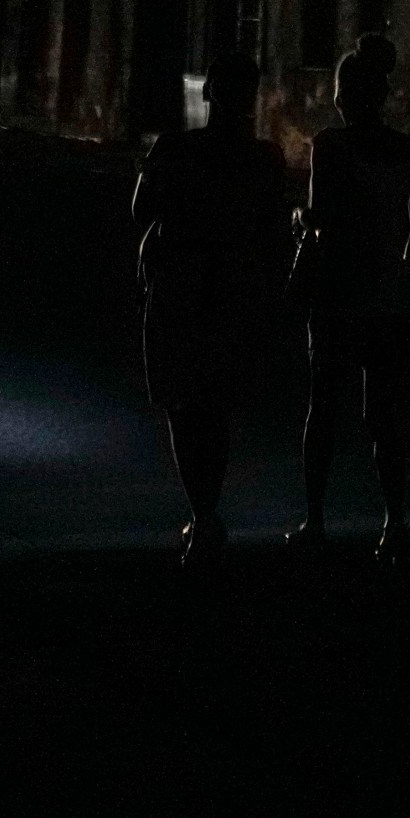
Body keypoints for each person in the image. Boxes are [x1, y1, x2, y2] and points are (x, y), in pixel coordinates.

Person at [131, 50, 288, 566]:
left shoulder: (176, 148)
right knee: (215, 403)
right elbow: (273, 234)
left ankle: (200, 513)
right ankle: (207, 511)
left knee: (182, 400)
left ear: (207, 92)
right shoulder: (265, 159)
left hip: (180, 284)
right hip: (233, 290)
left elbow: (141, 208)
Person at [292, 33, 410, 564]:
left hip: (338, 290)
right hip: (385, 292)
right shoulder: (407, 150)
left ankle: (315, 519)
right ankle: (394, 522)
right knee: (383, 415)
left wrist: (299, 222)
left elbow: (323, 219)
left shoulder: (330, 146)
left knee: (323, 408)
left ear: (345, 93)